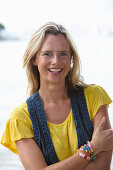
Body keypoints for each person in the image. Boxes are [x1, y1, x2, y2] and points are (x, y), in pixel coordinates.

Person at [0, 22, 113, 170]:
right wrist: (92, 148)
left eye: (63, 54)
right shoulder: (20, 118)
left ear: (71, 58)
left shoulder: (94, 96)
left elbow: (102, 167)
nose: (56, 61)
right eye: (47, 54)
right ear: (35, 59)